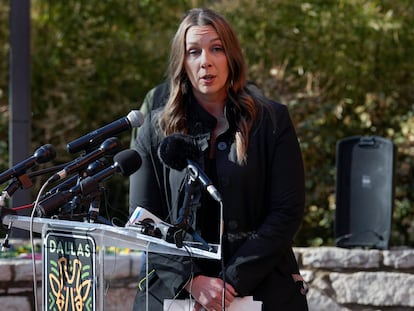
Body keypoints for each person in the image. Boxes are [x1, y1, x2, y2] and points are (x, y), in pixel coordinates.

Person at [129, 7, 308, 311]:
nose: (206, 61)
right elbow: (143, 220)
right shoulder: (154, 129)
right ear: (182, 63)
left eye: (216, 49)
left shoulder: (272, 120)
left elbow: (286, 212)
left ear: (232, 57)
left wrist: (231, 282)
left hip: (262, 285)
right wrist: (193, 281)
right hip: (176, 293)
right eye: (193, 52)